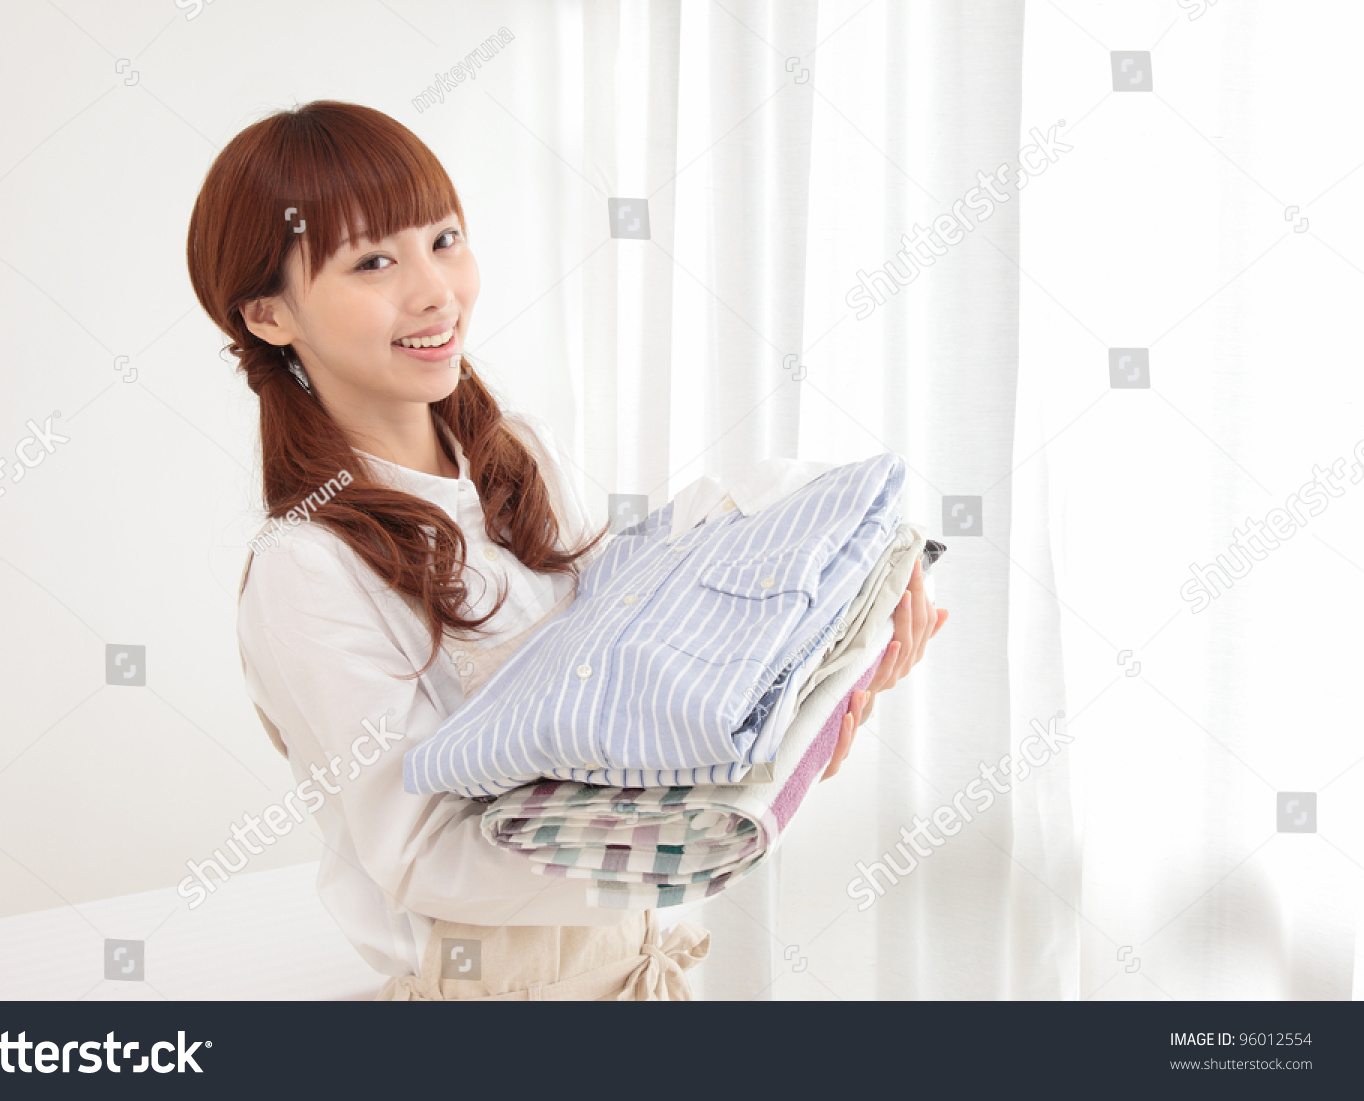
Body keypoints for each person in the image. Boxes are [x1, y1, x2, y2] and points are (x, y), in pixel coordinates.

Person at [185, 99, 946, 1000]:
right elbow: (424, 852)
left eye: (445, 238)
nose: (435, 291)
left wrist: (802, 709)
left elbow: (626, 700)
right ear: (270, 315)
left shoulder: (519, 456)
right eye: (374, 261)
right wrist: (692, 837)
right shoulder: (304, 567)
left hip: (637, 975)